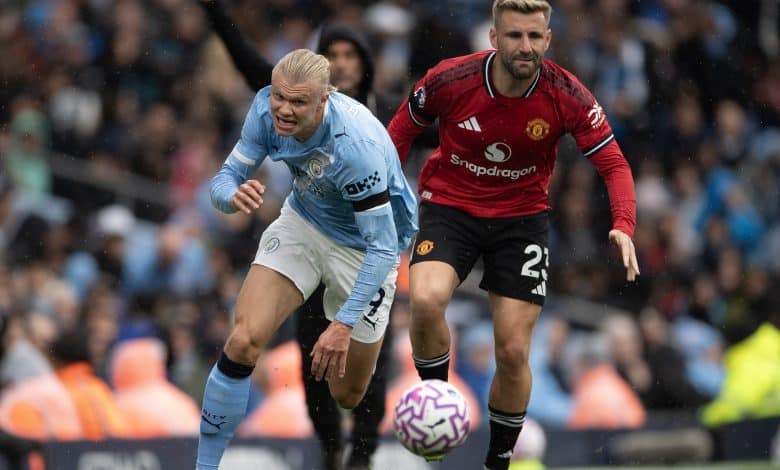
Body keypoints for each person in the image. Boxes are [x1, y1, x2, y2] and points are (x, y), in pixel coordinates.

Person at [386, 1, 639, 469]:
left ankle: (499, 461)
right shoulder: (449, 79)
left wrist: (623, 224)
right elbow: (397, 135)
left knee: (515, 348)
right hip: (450, 207)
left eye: (534, 37)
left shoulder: (568, 95)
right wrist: (379, 198)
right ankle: (439, 403)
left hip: (521, 221)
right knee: (424, 300)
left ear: (547, 39)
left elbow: (614, 164)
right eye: (515, 36)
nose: (525, 47)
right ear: (494, 39)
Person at [197, 2, 400, 467]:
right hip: (306, 223)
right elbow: (222, 181)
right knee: (247, 340)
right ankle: (209, 463)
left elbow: (384, 244)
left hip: (367, 249)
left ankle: (361, 455)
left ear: (324, 97)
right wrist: (232, 196)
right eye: (279, 98)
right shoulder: (272, 102)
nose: (284, 110)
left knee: (350, 391)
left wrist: (345, 324)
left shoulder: (362, 141)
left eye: (297, 102)